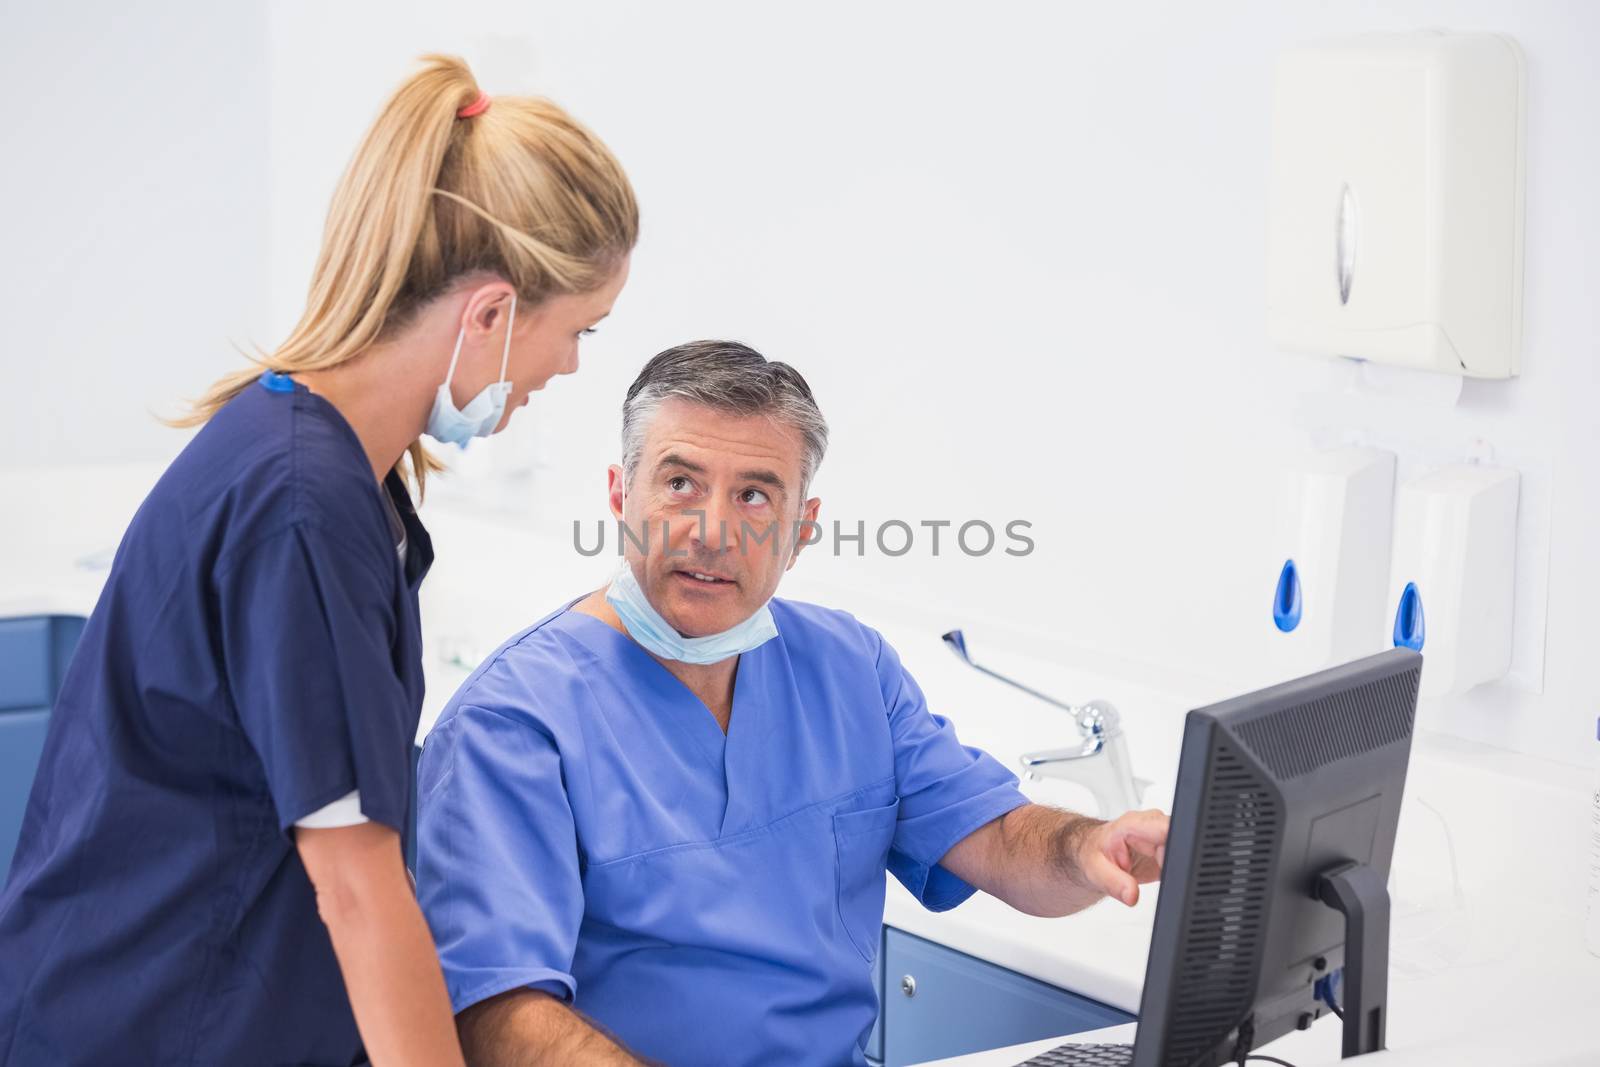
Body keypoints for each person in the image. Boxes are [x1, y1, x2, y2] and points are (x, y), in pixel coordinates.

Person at [0, 54, 636, 1067]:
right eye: (577, 331)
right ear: (490, 313)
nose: (567, 365)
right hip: (151, 1021)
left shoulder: (327, 460)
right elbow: (354, 881)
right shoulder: (303, 505)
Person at [415, 341, 1169, 1067]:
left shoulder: (848, 668)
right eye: (680, 483)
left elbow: (998, 837)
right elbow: (498, 1019)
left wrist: (1088, 848)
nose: (713, 531)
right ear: (621, 494)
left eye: (753, 495)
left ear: (801, 529)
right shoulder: (515, 721)